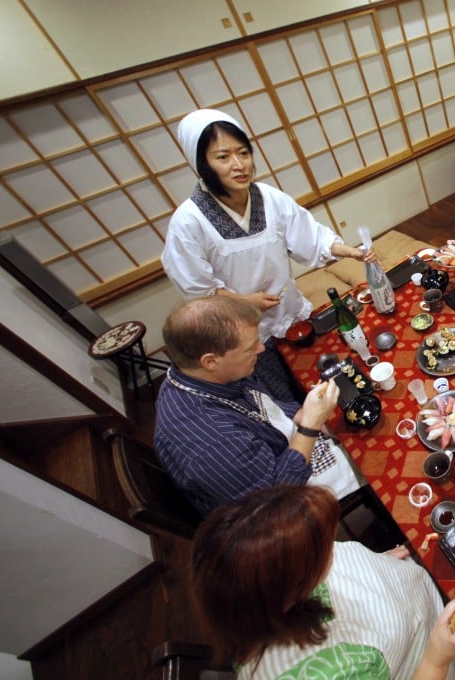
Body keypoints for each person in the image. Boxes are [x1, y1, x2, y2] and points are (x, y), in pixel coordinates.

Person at [162, 108, 374, 402]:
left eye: (244, 153)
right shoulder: (188, 222)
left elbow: (309, 237)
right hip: (243, 332)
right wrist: (246, 303)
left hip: (289, 312)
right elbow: (199, 292)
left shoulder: (267, 197)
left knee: (320, 379)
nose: (239, 165)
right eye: (223, 157)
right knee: (280, 395)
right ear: (202, 164)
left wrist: (349, 250)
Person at [192, 484, 455, 679]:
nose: (333, 545)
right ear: (291, 588)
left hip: (411, 590)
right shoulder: (322, 672)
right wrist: (438, 657)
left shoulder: (259, 598)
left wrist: (379, 563)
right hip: (431, 652)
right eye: (324, 546)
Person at [155, 295, 361, 515]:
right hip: (275, 506)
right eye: (250, 347)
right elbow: (276, 500)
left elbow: (269, 407)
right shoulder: (209, 439)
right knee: (369, 456)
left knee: (354, 421)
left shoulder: (203, 374)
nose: (262, 349)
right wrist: (310, 425)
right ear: (210, 361)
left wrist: (304, 415)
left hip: (280, 447)